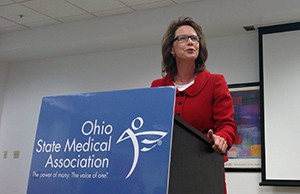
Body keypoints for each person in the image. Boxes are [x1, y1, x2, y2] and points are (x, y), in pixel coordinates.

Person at [151, 16, 237, 194]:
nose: (190, 42)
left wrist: (222, 138)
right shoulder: (157, 87)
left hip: (204, 168)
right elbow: (152, 127)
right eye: (183, 38)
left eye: (194, 38)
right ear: (171, 49)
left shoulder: (215, 82)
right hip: (168, 171)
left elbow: (228, 125)